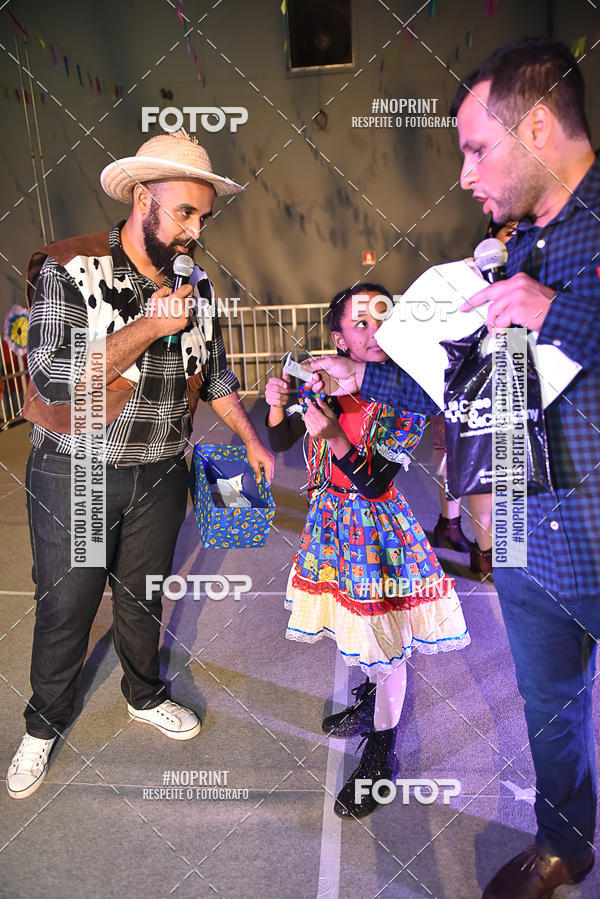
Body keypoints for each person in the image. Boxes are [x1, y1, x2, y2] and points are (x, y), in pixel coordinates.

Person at [308, 37, 599, 898]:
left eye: (477, 148)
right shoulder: (509, 248)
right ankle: (566, 843)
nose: (465, 173)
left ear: (538, 126)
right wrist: (364, 374)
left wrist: (559, 315)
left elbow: (562, 335)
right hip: (526, 539)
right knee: (551, 715)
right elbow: (459, 371)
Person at [7, 130, 274, 800]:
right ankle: (43, 722)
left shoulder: (198, 284)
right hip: (81, 472)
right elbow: (55, 376)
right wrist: (149, 327)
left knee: (142, 594)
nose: (193, 231)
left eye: (202, 219)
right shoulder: (67, 270)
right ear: (143, 196)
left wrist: (252, 437)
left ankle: (143, 692)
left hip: (160, 473)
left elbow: (213, 373)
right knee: (67, 603)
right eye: (184, 212)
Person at [265, 283, 470, 819]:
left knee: (386, 642)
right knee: (353, 627)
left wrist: (333, 432)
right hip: (329, 522)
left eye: (384, 317)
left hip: (376, 529)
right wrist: (275, 405)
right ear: (338, 338)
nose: (375, 330)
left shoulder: (404, 392)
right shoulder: (322, 379)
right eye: (361, 323)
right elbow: (286, 441)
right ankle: (367, 698)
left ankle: (381, 753)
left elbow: (375, 482)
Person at [431, 218, 517, 578]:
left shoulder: (536, 276)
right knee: (485, 478)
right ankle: (489, 555)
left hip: (518, 386)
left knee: (511, 484)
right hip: (470, 389)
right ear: (490, 238)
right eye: (510, 233)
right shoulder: (464, 278)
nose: (517, 241)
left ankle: (503, 555)